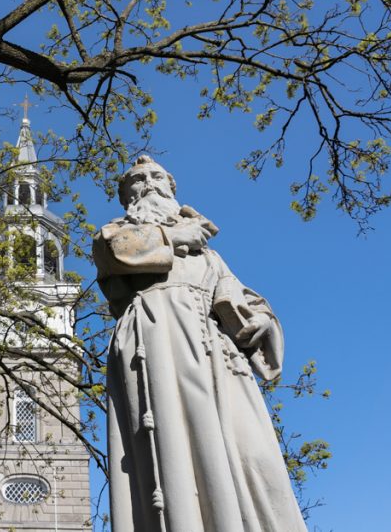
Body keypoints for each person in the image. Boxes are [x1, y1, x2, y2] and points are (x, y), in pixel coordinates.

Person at [93, 156, 306, 532]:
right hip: (158, 337)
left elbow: (243, 299)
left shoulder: (210, 255)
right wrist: (174, 237)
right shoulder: (116, 231)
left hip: (217, 353)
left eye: (158, 177)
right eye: (138, 180)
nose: (149, 183)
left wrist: (259, 320)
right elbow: (116, 252)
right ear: (127, 195)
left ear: (172, 189)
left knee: (253, 455)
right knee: (177, 449)